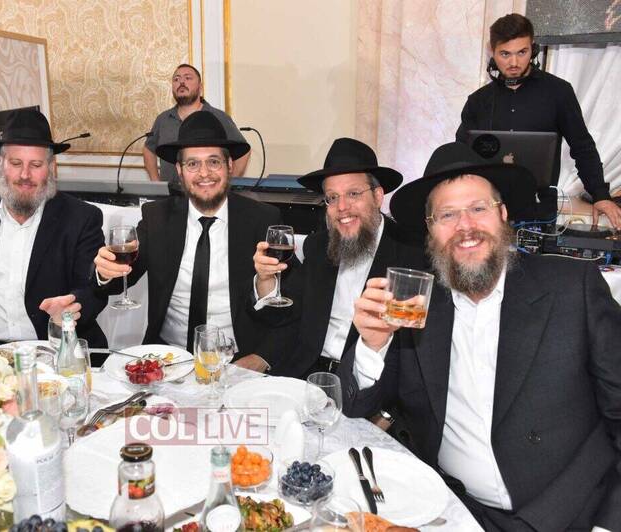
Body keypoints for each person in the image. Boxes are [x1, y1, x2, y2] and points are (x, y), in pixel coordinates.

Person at [343, 141, 621, 531]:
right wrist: (372, 345)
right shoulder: (415, 303)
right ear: (430, 230)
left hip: (573, 512)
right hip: (455, 509)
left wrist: (609, 522)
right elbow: (356, 407)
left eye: (478, 208)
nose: (465, 227)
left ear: (503, 214)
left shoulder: (572, 288)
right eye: (447, 215)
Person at [93, 110, 280, 366]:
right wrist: (104, 271)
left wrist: (260, 358)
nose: (204, 173)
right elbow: (120, 279)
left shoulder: (261, 219)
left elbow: (289, 304)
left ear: (229, 166)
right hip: (167, 359)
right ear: (179, 171)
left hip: (235, 361)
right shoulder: (157, 217)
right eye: (192, 164)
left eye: (213, 162)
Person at [0, 109, 108, 347]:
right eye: (16, 163)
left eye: (36, 164)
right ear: (1, 163)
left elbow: (93, 289)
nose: (25, 174)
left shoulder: (81, 218)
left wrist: (72, 305)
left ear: (51, 166)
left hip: (59, 349)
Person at [250, 138, 424, 377]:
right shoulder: (318, 246)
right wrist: (266, 281)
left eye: (353, 193)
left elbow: (415, 346)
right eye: (332, 197)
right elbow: (288, 318)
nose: (342, 207)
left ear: (377, 196)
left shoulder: (412, 253)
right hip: (305, 374)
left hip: (369, 381)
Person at [455, 13, 621, 229]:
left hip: (538, 208)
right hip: (487, 209)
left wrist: (600, 195)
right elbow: (460, 154)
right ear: (492, 51)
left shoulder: (558, 92)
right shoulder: (478, 101)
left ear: (533, 49)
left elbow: (582, 147)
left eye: (521, 52)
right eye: (505, 54)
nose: (514, 62)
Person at [143, 64, 250, 184]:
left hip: (207, 190)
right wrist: (156, 182)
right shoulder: (163, 119)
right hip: (170, 193)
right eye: (176, 79)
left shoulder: (218, 117)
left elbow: (243, 153)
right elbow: (149, 149)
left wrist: (229, 184)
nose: (181, 82)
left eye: (188, 78)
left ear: (200, 87)